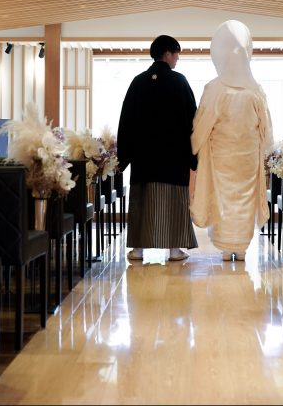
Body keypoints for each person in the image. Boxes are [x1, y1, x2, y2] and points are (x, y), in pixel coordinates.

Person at [190, 20, 274, 261]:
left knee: (223, 198)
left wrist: (194, 146)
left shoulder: (214, 88)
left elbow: (202, 123)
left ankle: (227, 248)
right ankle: (242, 247)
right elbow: (266, 127)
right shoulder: (255, 89)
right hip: (247, 156)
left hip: (221, 156)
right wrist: (266, 147)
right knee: (245, 199)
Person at [117, 34, 198, 261]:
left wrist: (124, 157)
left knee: (142, 202)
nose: (177, 58)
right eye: (176, 54)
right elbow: (192, 120)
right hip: (174, 157)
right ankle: (174, 250)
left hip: (144, 158)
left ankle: (138, 249)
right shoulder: (179, 81)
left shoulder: (138, 82)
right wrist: (194, 156)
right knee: (174, 202)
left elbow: (126, 121)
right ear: (167, 54)